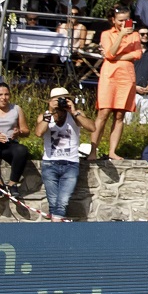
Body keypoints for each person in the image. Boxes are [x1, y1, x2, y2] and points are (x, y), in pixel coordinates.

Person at [90, 3, 145, 158]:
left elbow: (138, 54)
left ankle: (112, 151)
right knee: (104, 112)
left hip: (126, 76)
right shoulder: (107, 34)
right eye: (120, 20)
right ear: (113, 20)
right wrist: (120, 35)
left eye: (126, 20)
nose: (123, 23)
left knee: (120, 114)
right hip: (110, 75)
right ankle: (93, 150)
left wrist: (116, 57)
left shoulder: (134, 35)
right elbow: (109, 53)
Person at [39, 88, 93, 219]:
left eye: (64, 99)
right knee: (53, 203)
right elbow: (39, 132)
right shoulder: (45, 116)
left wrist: (74, 111)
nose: (61, 102)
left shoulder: (75, 115)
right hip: (49, 163)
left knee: (62, 202)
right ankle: (57, 233)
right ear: (50, 101)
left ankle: (56, 230)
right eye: (58, 99)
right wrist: (51, 112)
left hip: (71, 163)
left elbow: (92, 127)